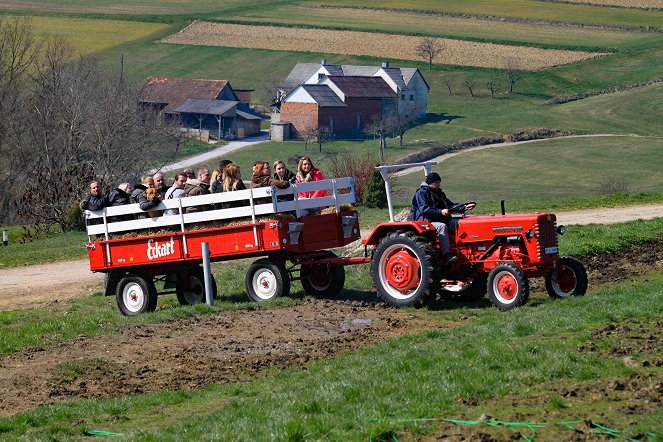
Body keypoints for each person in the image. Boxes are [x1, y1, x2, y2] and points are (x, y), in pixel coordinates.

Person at [411, 172, 475, 263]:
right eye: (437, 182)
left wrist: (464, 207)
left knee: (459, 223)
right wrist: (440, 211)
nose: (439, 184)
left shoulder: (439, 193)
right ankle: (447, 253)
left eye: (439, 182)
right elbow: (425, 209)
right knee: (442, 227)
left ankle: (463, 248)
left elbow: (451, 205)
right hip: (426, 221)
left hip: (440, 218)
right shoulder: (421, 193)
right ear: (431, 182)